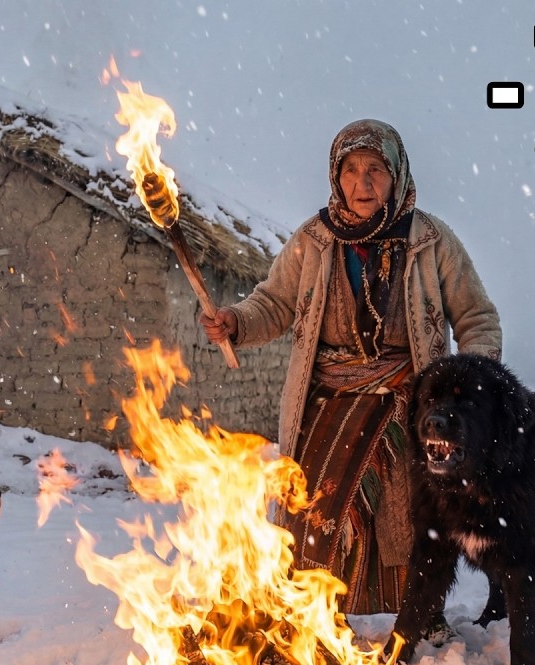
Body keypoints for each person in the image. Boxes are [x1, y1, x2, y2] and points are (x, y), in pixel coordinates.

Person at [199, 119, 502, 614]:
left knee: (407, 513)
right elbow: (274, 302)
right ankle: (315, 616)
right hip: (329, 402)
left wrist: (473, 387)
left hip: (407, 400)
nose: (363, 183)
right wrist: (237, 321)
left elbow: (477, 317)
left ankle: (416, 614)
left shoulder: (430, 240)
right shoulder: (314, 240)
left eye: (375, 169)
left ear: (396, 175)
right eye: (351, 170)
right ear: (336, 177)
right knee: (315, 511)